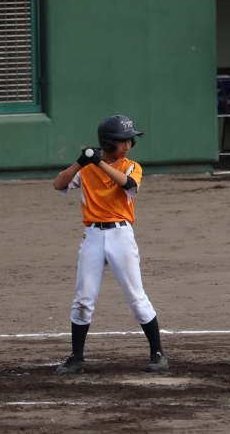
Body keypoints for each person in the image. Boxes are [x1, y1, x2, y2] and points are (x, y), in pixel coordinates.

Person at [52, 115, 168, 375]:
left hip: (121, 236)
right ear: (107, 142)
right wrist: (81, 162)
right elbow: (58, 184)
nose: (127, 145)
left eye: (130, 140)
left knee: (136, 297)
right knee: (83, 299)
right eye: (122, 141)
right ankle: (76, 358)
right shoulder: (86, 169)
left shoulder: (131, 166)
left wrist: (100, 164)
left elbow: (128, 184)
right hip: (92, 236)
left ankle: (158, 353)